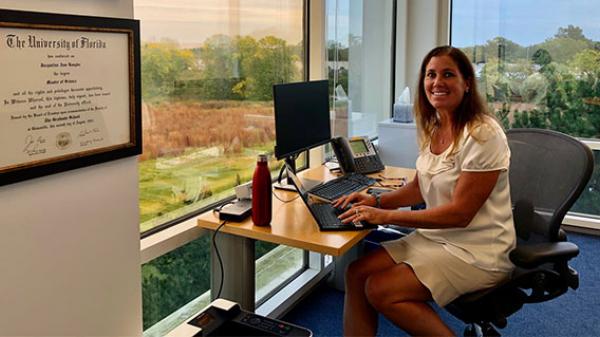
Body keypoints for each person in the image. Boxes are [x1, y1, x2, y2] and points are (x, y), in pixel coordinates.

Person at [334, 46, 516, 337]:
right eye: (431, 75)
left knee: (380, 290)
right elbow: (419, 189)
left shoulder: (484, 134)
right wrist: (375, 199)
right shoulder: (435, 127)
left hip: (476, 251)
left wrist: (384, 215)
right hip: (435, 239)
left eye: (448, 74)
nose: (437, 82)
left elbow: (460, 214)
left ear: (467, 82)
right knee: (355, 274)